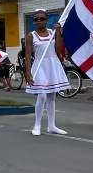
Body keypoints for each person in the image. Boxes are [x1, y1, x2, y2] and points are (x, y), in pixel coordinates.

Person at [25, 9, 69, 137]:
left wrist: (58, 33)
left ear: (47, 20)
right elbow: (28, 55)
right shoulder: (31, 36)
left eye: (42, 19)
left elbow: (58, 49)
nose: (39, 21)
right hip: (39, 66)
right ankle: (37, 125)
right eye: (36, 19)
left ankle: (51, 126)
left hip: (52, 65)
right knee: (42, 95)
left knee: (51, 96)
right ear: (33, 22)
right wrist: (28, 73)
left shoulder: (52, 32)